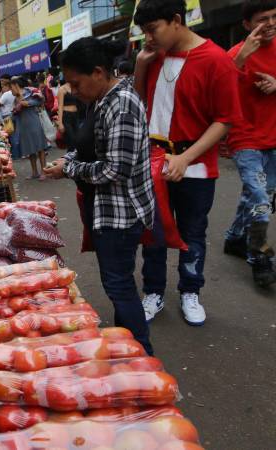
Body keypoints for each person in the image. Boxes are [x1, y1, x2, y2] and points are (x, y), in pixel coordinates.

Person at [133, 0, 243, 325]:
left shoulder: (216, 60)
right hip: (153, 161)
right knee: (152, 231)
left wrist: (185, 157)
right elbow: (139, 104)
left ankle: (190, 291)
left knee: (192, 233)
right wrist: (140, 66)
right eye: (144, 32)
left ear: (176, 20)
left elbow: (225, 119)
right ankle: (153, 291)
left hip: (195, 165)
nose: (148, 38)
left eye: (152, 29)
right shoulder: (153, 56)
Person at [44, 37, 155, 355]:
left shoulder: (122, 105)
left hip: (121, 213)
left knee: (119, 285)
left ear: (98, 72)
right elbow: (88, 146)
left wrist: (69, 169)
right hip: (105, 208)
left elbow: (115, 170)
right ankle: (127, 346)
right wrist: (70, 160)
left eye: (76, 83)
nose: (73, 91)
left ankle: (141, 352)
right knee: (116, 282)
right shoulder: (100, 99)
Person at [223, 0, 276, 287]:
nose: (270, 24)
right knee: (261, 200)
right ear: (247, 24)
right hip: (245, 140)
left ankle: (234, 238)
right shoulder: (234, 54)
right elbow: (218, 91)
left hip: (273, 139)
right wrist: (242, 58)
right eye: (262, 19)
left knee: (256, 196)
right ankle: (259, 255)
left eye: (274, 17)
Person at [11, 76, 48, 179]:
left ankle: (44, 171)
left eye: (12, 87)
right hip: (23, 126)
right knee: (30, 149)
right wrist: (15, 111)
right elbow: (15, 112)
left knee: (40, 148)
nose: (11, 90)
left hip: (34, 123)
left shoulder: (31, 92)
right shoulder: (15, 99)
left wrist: (27, 103)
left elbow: (40, 101)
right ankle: (34, 172)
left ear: (16, 86)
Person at [57, 82, 87, 151]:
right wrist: (60, 123)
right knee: (71, 141)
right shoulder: (62, 89)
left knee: (78, 139)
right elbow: (60, 107)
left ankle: (77, 156)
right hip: (66, 116)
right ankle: (70, 156)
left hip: (76, 115)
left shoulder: (76, 87)